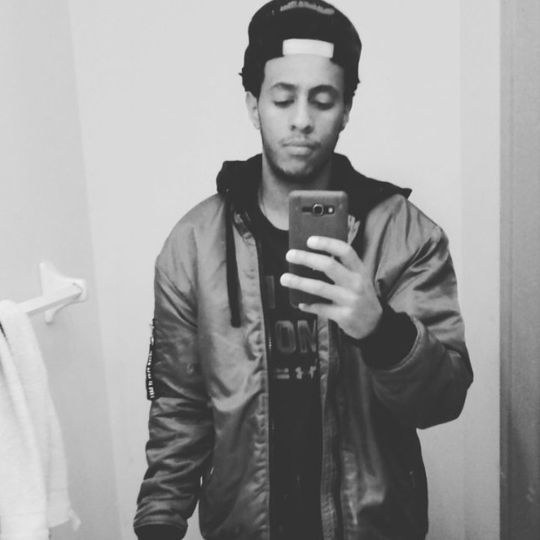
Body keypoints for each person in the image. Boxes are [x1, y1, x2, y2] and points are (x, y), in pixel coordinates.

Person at [133, 1, 473, 539]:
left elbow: (444, 399)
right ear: (254, 105)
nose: (300, 120)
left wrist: (380, 329)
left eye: (322, 99)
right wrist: (159, 521)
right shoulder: (193, 245)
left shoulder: (404, 235)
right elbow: (179, 410)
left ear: (346, 109)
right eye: (282, 98)